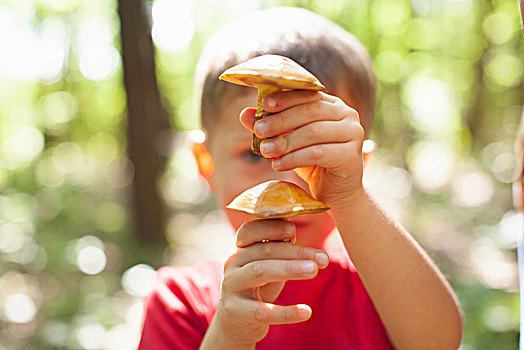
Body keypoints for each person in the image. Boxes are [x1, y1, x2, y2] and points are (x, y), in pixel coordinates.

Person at [138, 7, 463, 349]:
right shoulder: (180, 303)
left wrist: (350, 198)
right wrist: (230, 335)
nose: (286, 181)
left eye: (315, 153)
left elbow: (438, 341)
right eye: (254, 153)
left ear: (358, 165)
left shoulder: (381, 280)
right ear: (206, 163)